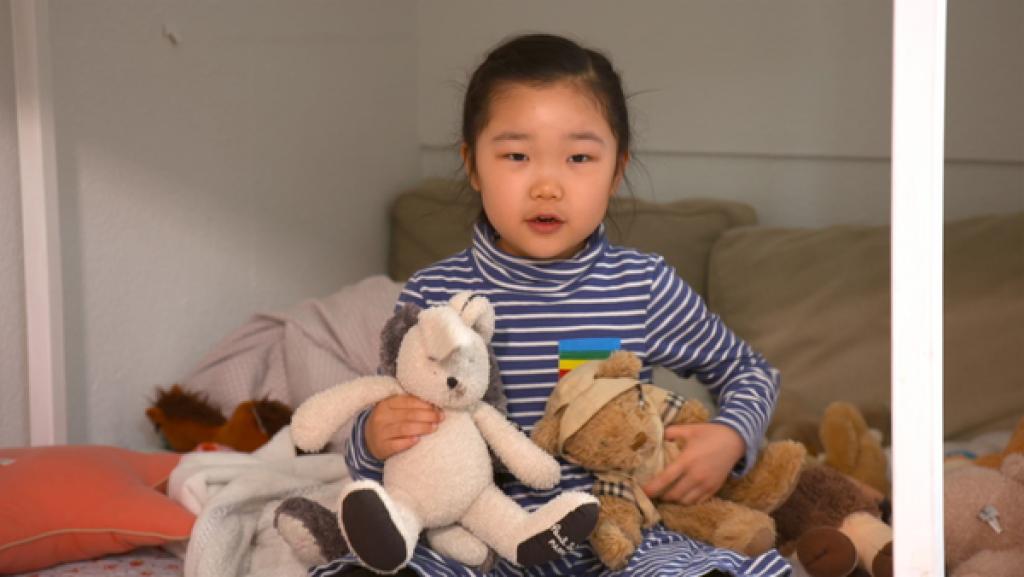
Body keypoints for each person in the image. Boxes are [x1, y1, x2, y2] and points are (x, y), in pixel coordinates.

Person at [318, 34, 786, 577]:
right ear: (473, 165)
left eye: (579, 158)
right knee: (390, 565)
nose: (547, 185)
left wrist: (731, 436)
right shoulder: (433, 294)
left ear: (616, 170)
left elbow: (750, 371)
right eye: (516, 156)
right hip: (475, 541)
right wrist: (372, 438)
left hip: (615, 539)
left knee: (700, 567)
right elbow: (392, 434)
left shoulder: (643, 285)